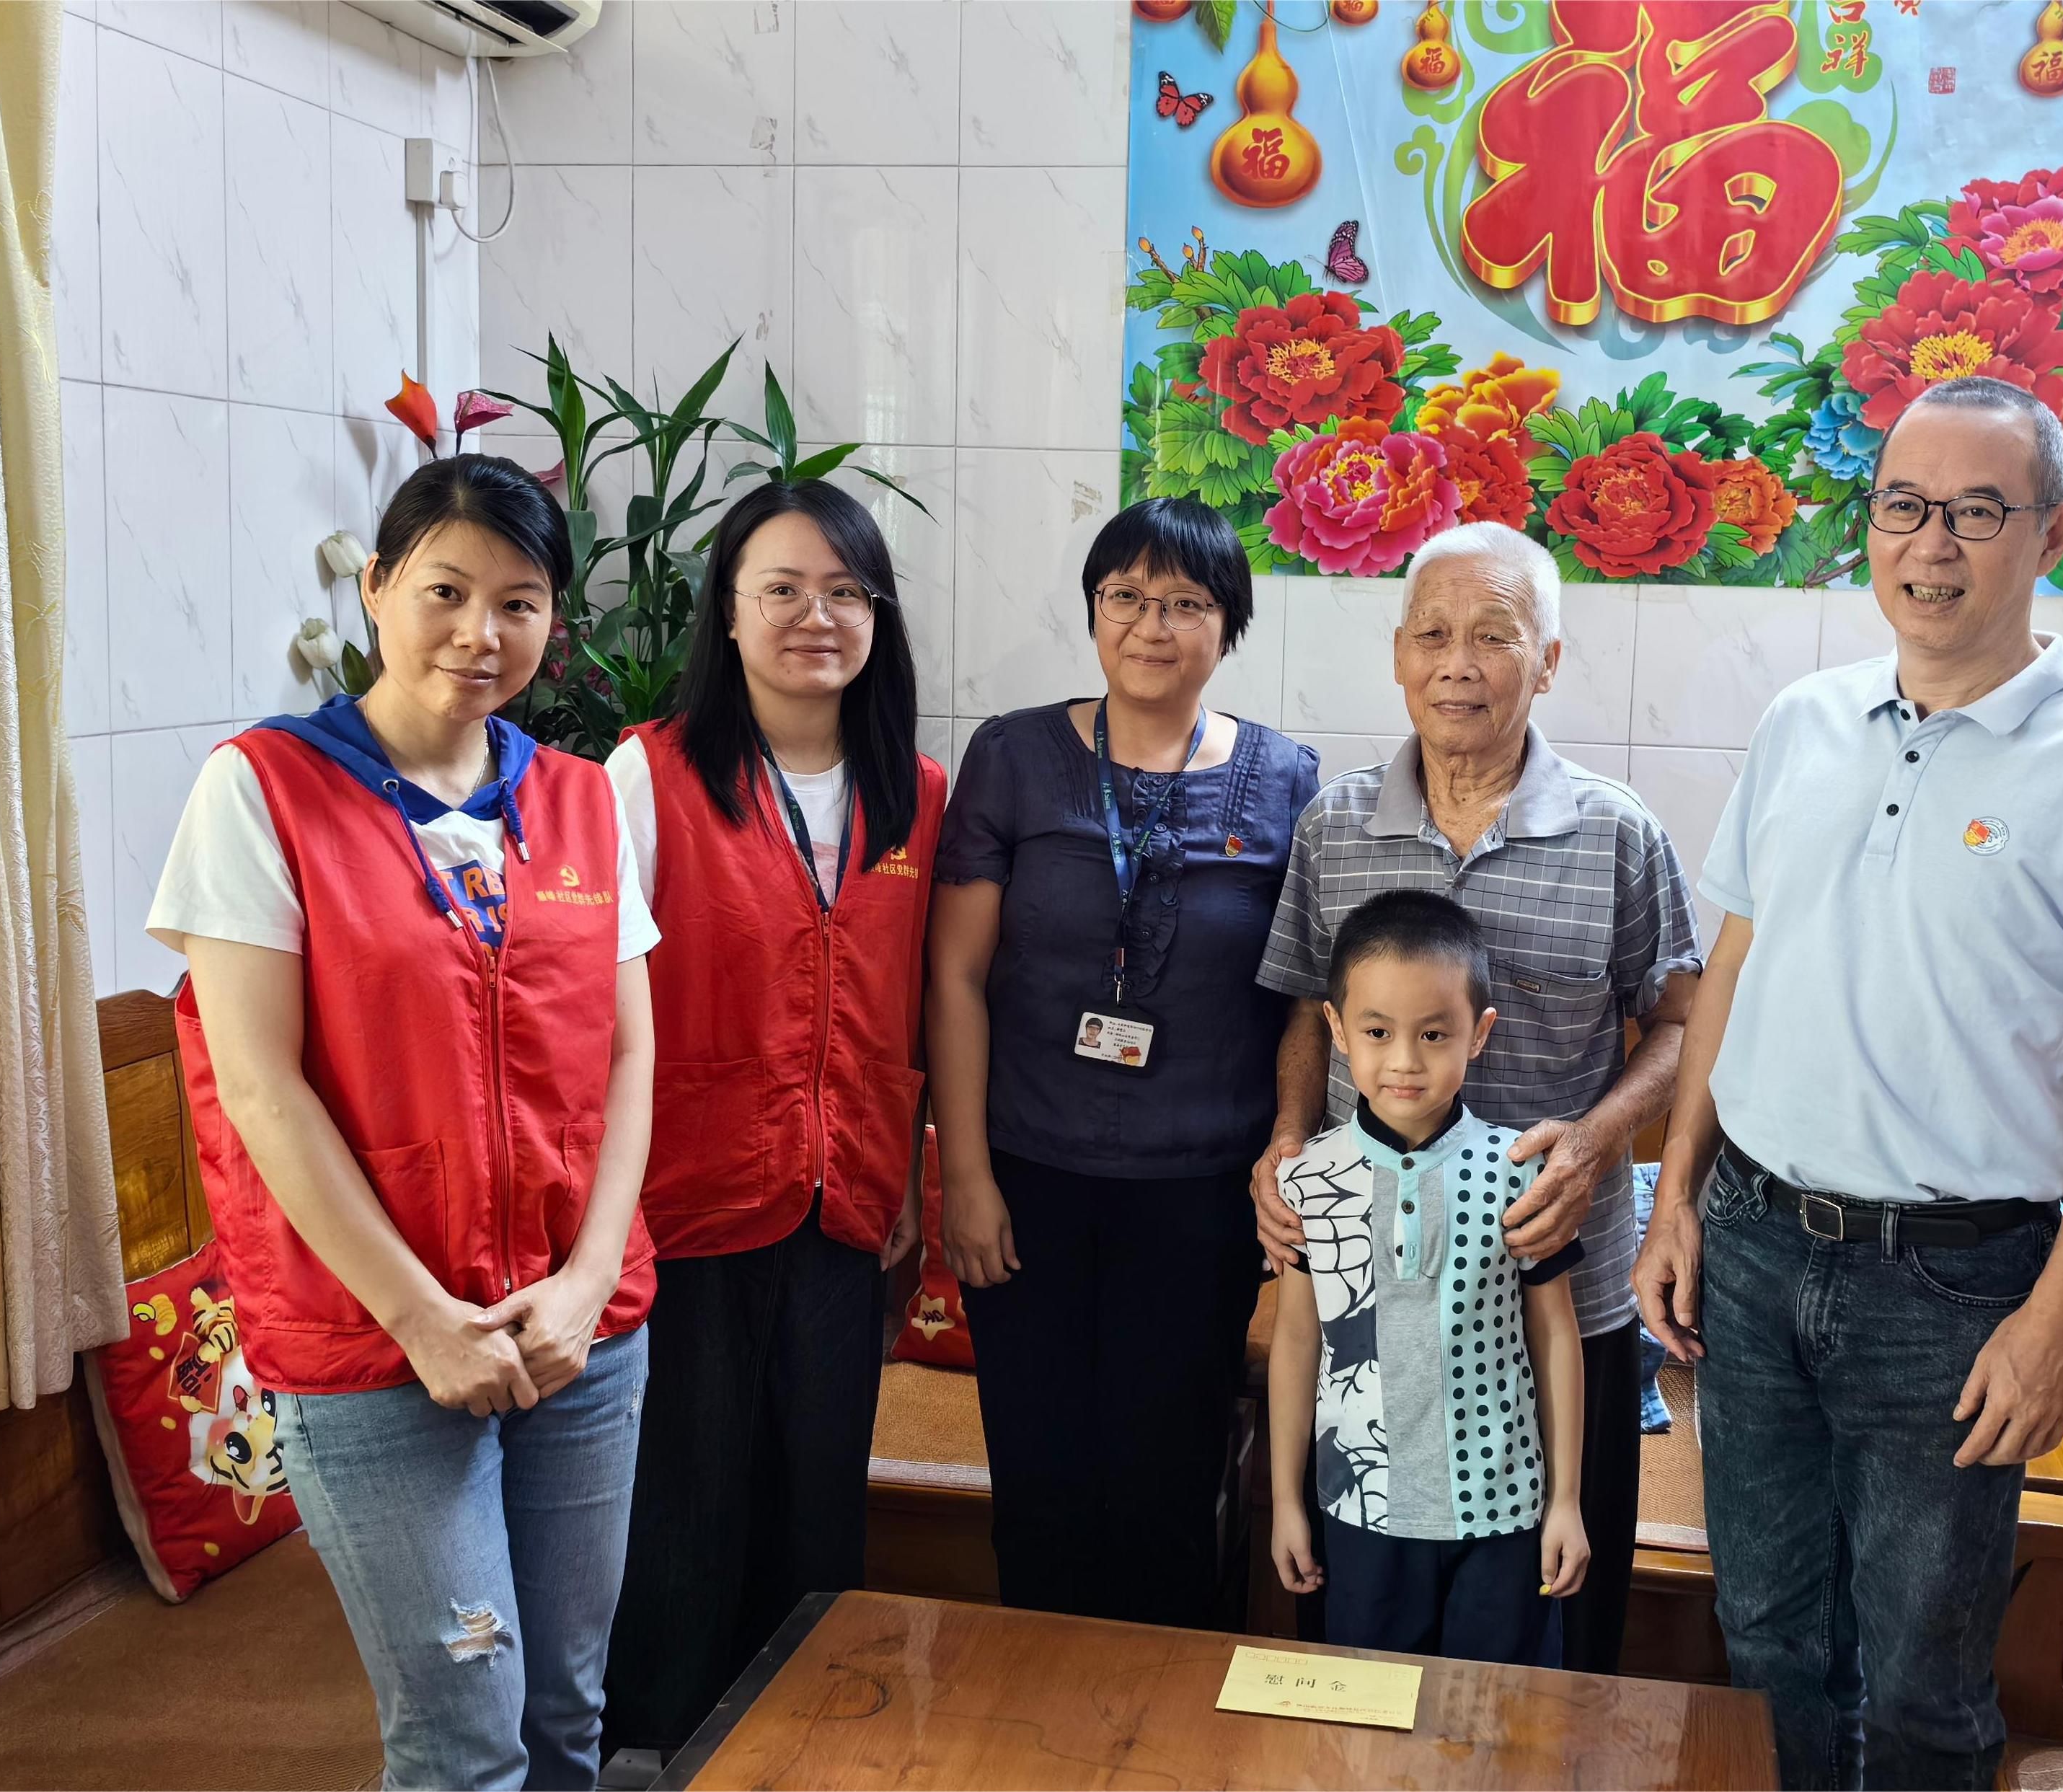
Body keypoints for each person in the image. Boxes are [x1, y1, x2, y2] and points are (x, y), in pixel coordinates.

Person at [1631, 375, 2063, 1791]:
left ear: (2051, 534)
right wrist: (1678, 1198)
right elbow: (1735, 971)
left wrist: (2060, 1314)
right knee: (1767, 1634)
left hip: (1955, 1289)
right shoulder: (1801, 721)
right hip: (1756, 1249)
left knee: (1921, 1685)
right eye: (1904, 506)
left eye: (1976, 511)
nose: (1932, 544)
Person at [149, 455, 659, 1791]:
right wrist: (423, 1319)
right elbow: (261, 1088)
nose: (480, 633)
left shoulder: (578, 799)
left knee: (567, 1714)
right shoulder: (262, 789)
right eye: (445, 591)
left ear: (554, 622)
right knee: (464, 1737)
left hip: (578, 1336)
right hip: (373, 1346)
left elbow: (630, 1052)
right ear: (375, 587)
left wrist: (589, 1285)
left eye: (519, 602)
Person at [1253, 521, 1700, 1674]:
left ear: (1545, 662)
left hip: (1558, 1293)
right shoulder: (1333, 825)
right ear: (1399, 654)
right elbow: (1301, 1008)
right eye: (1434, 635)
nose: (1458, 664)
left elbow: (1682, 1022)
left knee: (1554, 1636)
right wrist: (1289, 1137)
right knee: (1360, 1637)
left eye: (1494, 637)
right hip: (1369, 1302)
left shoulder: (1615, 831)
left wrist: (1595, 1142)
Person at [928, 496, 1320, 1628]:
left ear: (1227, 625)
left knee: (1170, 1488)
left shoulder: (1285, 778)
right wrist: (964, 1177)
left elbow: (1305, 993)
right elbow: (955, 978)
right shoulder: (1013, 756)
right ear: (1093, 611)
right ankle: (1035, 1706)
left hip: (1198, 1195)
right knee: (1039, 1484)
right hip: (1027, 1179)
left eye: (1186, 603)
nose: (1152, 625)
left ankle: (1162, 1708)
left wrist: (1285, 1151)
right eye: (1126, 597)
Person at [597, 480, 943, 1755]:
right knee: (684, 1506)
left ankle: (800, 1750)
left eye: (846, 591)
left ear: (878, 618)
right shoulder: (646, 773)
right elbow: (595, 1007)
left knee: (816, 1506)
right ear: (729, 613)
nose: (817, 616)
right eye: (783, 589)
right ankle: (660, 1752)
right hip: (684, 1205)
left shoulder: (916, 791)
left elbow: (917, 1001)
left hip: (845, 1200)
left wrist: (911, 1186)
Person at [1267, 892, 1589, 1665]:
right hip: (1362, 1511)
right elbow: (1297, 1341)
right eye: (1378, 1032)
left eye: (1434, 1034)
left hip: (1502, 1510)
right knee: (1372, 1718)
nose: (1405, 1060)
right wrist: (1284, 1500)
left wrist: (1566, 1501)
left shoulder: (1521, 1171)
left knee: (1497, 1717)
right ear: (1337, 1028)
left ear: (1479, 1033)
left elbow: (1554, 1335)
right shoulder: (1307, 1178)